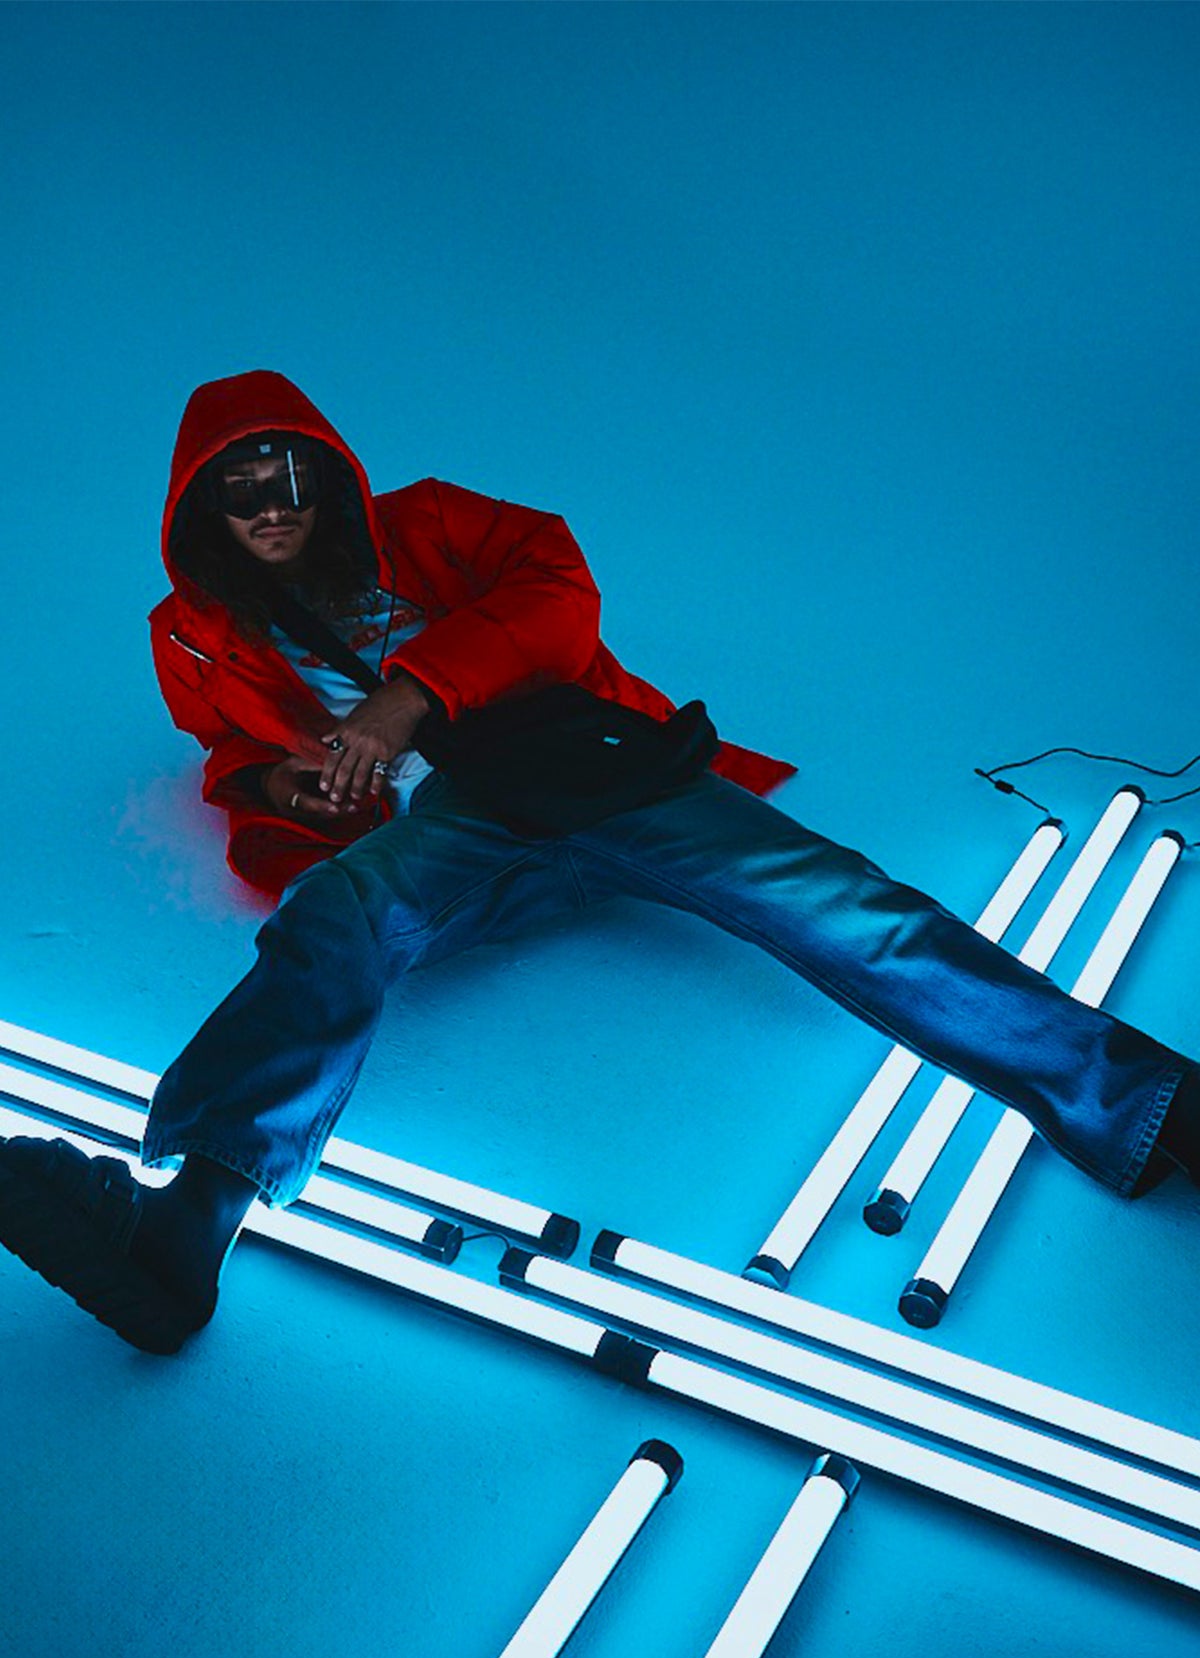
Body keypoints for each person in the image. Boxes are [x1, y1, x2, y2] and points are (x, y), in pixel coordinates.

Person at [1, 368, 1197, 1355]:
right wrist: (283, 785)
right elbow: (225, 748)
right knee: (333, 911)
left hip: (601, 766)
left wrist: (405, 700)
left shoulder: (426, 521)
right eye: (239, 493)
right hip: (463, 823)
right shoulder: (194, 635)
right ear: (198, 511)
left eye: (289, 481)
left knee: (853, 913)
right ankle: (185, 1229)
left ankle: (1149, 1108)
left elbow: (555, 586)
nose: (270, 509)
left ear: (329, 476)